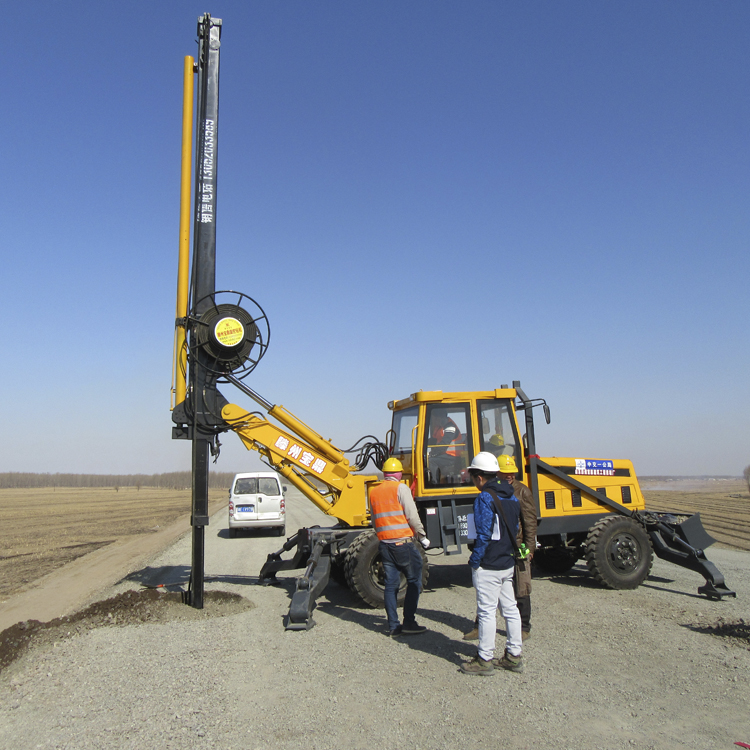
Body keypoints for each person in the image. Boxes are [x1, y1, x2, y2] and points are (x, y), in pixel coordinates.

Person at [461, 452, 523, 675]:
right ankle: (514, 656)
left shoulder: (484, 498)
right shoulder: (512, 497)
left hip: (489, 564)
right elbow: (515, 529)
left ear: (479, 477)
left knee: (487, 612)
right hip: (507, 561)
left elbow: (484, 533)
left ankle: (484, 660)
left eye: (473, 478)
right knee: (510, 609)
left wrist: (475, 560)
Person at [463, 453, 537, 641]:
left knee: (521, 589)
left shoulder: (521, 492)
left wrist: (529, 549)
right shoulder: (495, 492)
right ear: (497, 473)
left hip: (517, 546)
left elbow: (529, 522)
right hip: (501, 547)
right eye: (506, 473)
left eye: (512, 473)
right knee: (490, 595)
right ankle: (479, 627)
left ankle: (524, 627)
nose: (510, 476)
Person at [370, 457, 431, 637]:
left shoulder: (374, 491)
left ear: (384, 473)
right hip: (402, 544)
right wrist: (422, 536)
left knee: (391, 585)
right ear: (398, 474)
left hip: (385, 545)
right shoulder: (401, 488)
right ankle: (409, 622)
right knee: (414, 581)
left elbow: (374, 520)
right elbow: (412, 515)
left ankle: (393, 626)